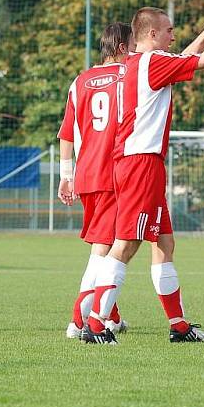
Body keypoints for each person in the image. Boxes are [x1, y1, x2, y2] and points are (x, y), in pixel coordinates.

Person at [82, 0, 204, 344]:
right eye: (169, 30)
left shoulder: (138, 63)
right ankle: (95, 323)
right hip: (141, 163)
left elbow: (184, 58)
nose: (174, 35)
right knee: (126, 244)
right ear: (152, 34)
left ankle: (179, 325)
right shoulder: (152, 63)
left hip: (138, 163)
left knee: (164, 243)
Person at [57, 22, 131, 340]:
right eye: (132, 46)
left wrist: (65, 175)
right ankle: (78, 320)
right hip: (112, 173)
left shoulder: (80, 81)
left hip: (86, 174)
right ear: (121, 48)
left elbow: (67, 132)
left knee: (110, 242)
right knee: (103, 250)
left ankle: (110, 315)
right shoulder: (128, 77)